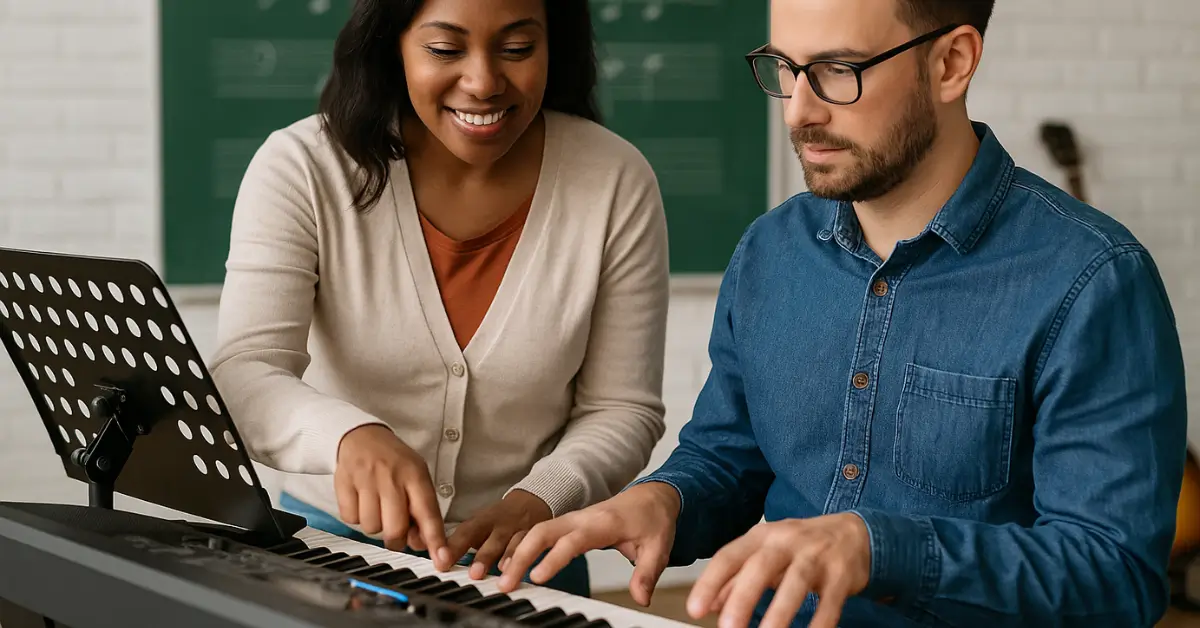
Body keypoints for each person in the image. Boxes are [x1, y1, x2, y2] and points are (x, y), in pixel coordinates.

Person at [495, 0, 1190, 625]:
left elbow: (1115, 575)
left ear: (952, 62)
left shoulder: (1094, 281)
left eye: (837, 70)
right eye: (784, 69)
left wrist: (879, 547)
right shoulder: (771, 249)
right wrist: (666, 500)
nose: (798, 111)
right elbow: (730, 458)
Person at [208, 0, 670, 599]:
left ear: (554, 47)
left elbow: (622, 408)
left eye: (517, 49)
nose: (482, 83)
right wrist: (347, 436)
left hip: (523, 562)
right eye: (445, 50)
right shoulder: (302, 168)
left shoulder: (615, 180)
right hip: (325, 548)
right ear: (391, 45)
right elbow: (244, 373)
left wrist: (543, 495)